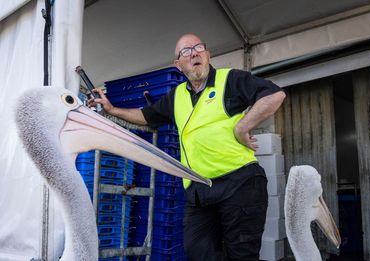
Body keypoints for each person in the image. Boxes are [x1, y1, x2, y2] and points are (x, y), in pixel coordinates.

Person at [89, 33, 285, 261]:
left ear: (207, 55)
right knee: (195, 250)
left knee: (241, 255)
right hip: (199, 190)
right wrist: (112, 110)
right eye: (185, 51)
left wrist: (243, 126)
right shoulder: (176, 97)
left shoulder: (229, 79)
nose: (193, 53)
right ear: (178, 65)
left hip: (239, 184)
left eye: (198, 47)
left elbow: (274, 94)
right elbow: (145, 115)